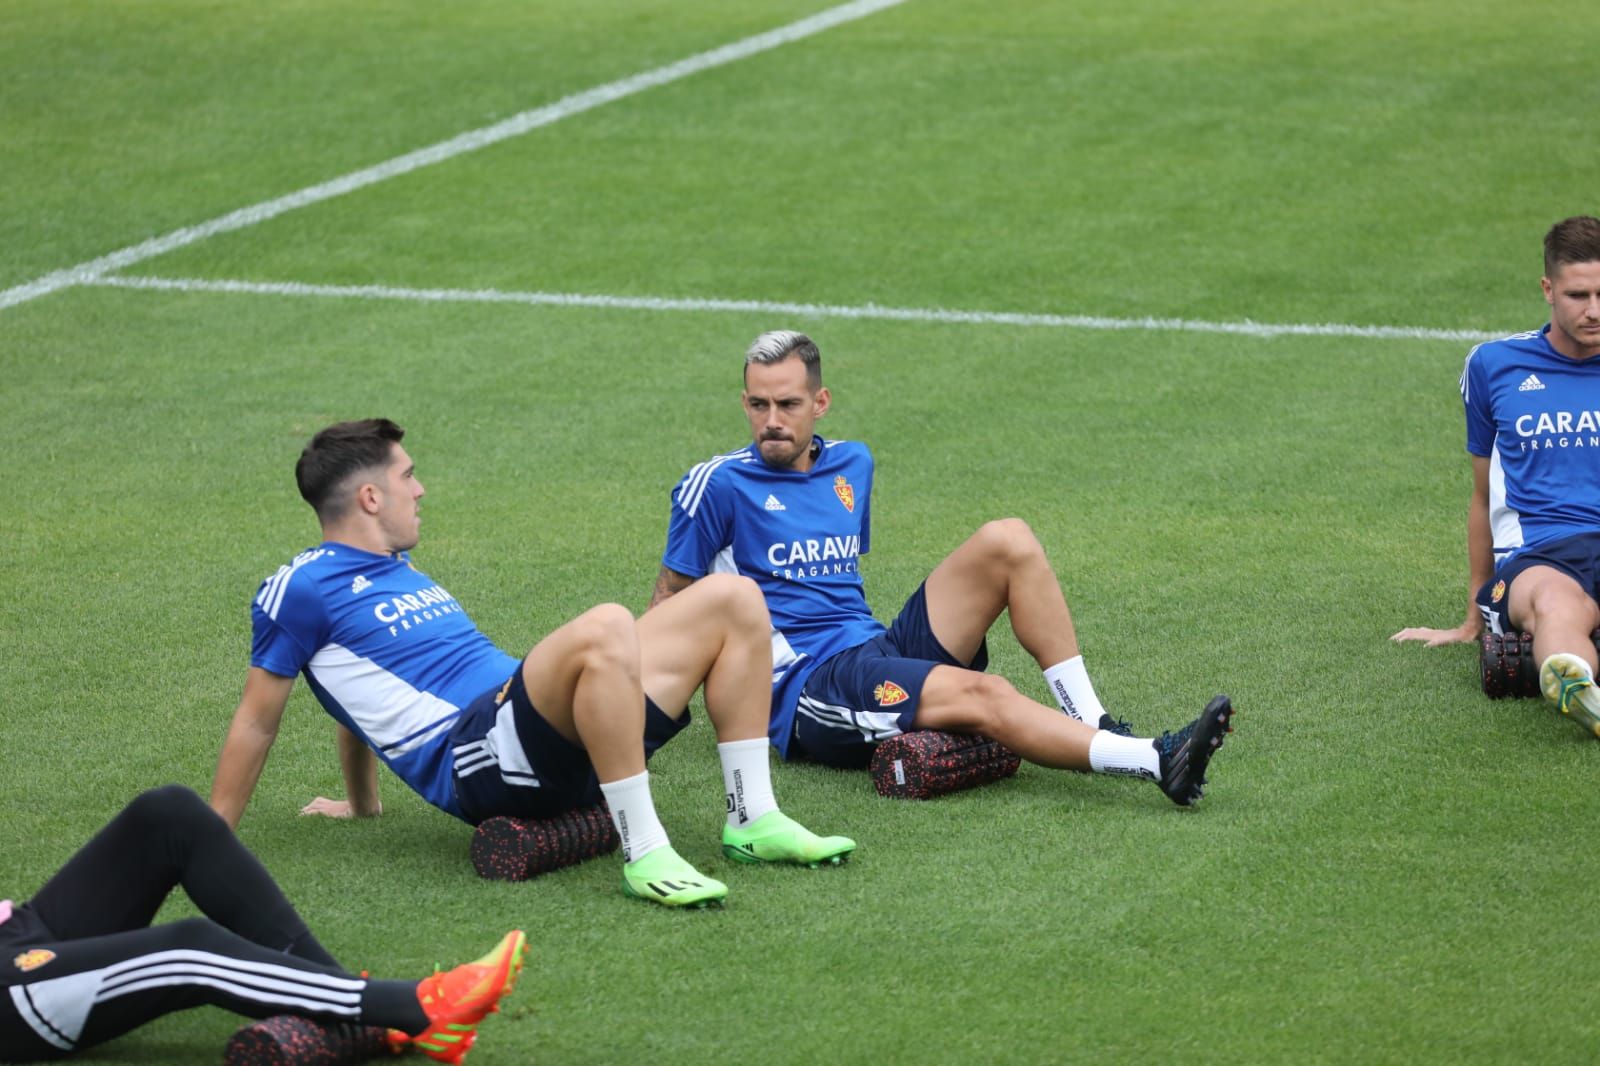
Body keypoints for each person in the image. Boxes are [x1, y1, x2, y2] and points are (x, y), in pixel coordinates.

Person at [211, 419, 853, 910]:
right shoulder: (299, 587)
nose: (421, 487)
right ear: (372, 497)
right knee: (605, 625)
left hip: (541, 730)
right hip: (484, 760)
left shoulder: (393, 570)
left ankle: (752, 817)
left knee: (735, 597)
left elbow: (354, 692)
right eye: (409, 476)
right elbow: (256, 722)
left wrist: (362, 802)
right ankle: (645, 847)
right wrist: (210, 840)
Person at [651, 331, 1234, 805]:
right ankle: (1157, 760)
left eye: (788, 404)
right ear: (744, 403)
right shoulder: (718, 484)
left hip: (872, 646)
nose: (771, 420)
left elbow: (836, 589)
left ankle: (1097, 723)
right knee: (985, 693)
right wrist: (630, 719)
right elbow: (669, 608)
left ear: (820, 403)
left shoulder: (853, 464)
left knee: (1008, 540)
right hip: (813, 690)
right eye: (758, 404)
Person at [0, 784, 523, 1065]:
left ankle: (344, 1006)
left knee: (169, 815)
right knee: (189, 949)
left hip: (17, 933)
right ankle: (416, 1009)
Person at [1393, 215, 1600, 736]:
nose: (1593, 311)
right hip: (1542, 555)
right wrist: (1471, 619)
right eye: (1578, 295)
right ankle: (1577, 688)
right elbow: (1482, 497)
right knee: (1556, 604)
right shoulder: (1495, 365)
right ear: (1548, 289)